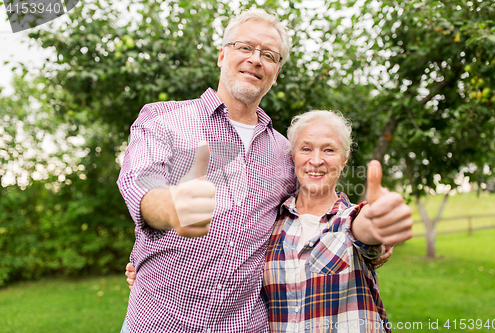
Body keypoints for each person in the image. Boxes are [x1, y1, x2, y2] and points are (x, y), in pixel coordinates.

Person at [117, 8, 411, 333]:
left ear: (276, 72)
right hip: (158, 322)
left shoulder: (284, 151)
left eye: (268, 54)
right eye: (245, 47)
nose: (255, 59)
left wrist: (372, 233)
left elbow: (316, 216)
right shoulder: (165, 120)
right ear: (222, 55)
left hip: (244, 325)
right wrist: (169, 207)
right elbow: (139, 183)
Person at [261, 110, 411, 332]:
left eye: (329, 150)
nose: (316, 160)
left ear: (345, 159)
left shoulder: (349, 219)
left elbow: (363, 229)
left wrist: (377, 221)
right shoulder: (271, 223)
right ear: (293, 155)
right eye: (306, 149)